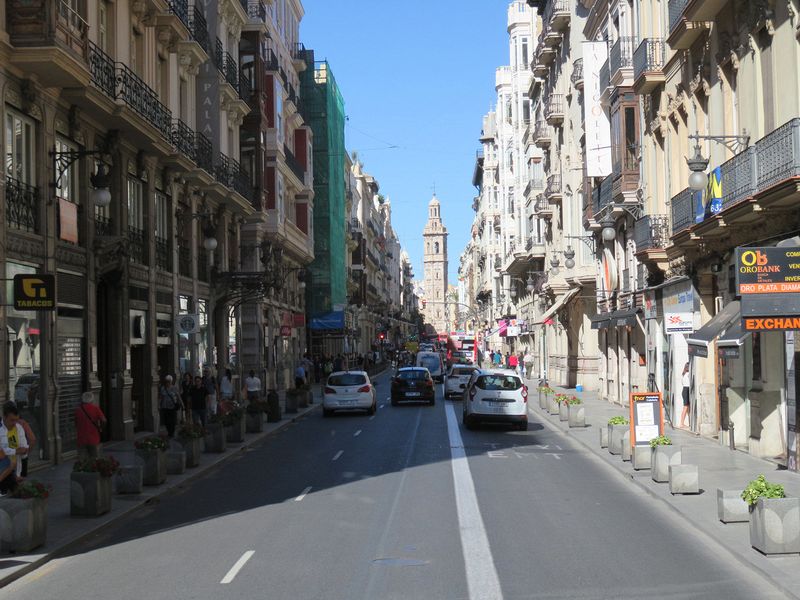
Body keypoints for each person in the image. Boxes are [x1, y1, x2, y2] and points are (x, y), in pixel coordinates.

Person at [0, 403, 28, 490]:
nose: (14, 423)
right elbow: (5, 450)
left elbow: (24, 451)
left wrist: (22, 474)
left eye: (16, 420)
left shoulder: (19, 428)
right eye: (12, 420)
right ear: (4, 417)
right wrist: (17, 451)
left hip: (14, 472)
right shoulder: (1, 429)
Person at [75, 392, 106, 459]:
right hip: (93, 438)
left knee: (82, 459)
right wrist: (101, 428)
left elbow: (76, 423)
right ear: (92, 400)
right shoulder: (95, 408)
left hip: (81, 438)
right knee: (94, 458)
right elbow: (103, 420)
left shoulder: (78, 410)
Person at [680, 362, 691, 429]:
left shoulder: (683, 374)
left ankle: (683, 423)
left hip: (684, 389)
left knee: (686, 407)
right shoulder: (688, 374)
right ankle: (682, 423)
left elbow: (682, 383)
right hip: (687, 389)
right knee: (686, 407)